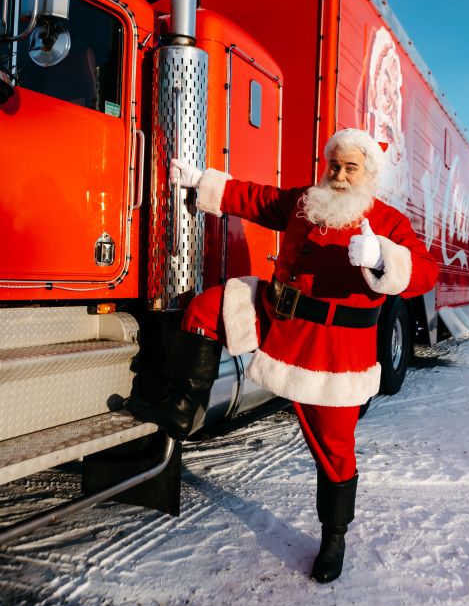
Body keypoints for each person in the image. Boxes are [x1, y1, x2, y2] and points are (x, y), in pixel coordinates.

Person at [124, 128, 438, 583]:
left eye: (351, 168)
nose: (339, 176)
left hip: (332, 354)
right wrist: (202, 181)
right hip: (278, 321)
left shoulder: (388, 221)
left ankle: (334, 537)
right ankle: (180, 408)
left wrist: (381, 258)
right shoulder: (306, 201)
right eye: (334, 165)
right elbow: (259, 199)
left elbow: (425, 272)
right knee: (209, 308)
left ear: (369, 174)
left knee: (334, 452)